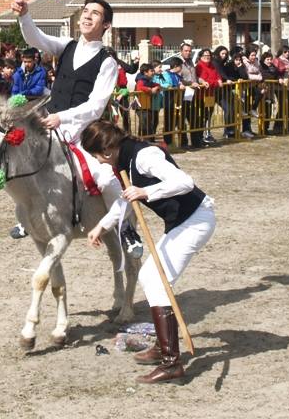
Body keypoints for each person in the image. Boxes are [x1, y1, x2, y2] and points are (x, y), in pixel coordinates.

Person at [81, 120, 215, 384]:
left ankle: (171, 363)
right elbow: (126, 201)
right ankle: (165, 349)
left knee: (155, 279)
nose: (99, 162)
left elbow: (184, 181)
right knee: (150, 277)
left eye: (96, 156)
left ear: (107, 150)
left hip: (197, 219)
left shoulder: (144, 156)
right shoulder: (122, 161)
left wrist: (146, 191)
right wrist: (101, 225)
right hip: (182, 221)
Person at [10, 0, 142, 252]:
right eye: (85, 11)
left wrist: (64, 117)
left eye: (95, 13)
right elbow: (35, 38)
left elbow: (96, 105)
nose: (87, 16)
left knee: (105, 179)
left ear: (106, 25)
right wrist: (24, 15)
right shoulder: (66, 46)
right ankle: (27, 217)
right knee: (19, 160)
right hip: (49, 125)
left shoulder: (107, 62)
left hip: (83, 132)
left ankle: (126, 227)